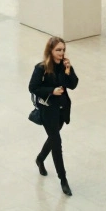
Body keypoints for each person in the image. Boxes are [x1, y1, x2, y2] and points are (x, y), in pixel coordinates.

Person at [29, 37, 78, 196]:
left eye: (63, 50)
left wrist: (68, 71)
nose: (61, 53)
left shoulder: (65, 65)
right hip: (48, 111)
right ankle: (63, 179)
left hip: (62, 111)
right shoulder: (41, 68)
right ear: (50, 50)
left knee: (53, 138)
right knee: (57, 143)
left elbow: (73, 85)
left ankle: (40, 158)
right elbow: (33, 87)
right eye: (58, 50)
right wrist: (51, 91)